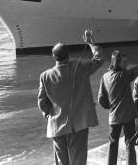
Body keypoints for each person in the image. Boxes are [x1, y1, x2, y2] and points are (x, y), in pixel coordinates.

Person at [38, 30, 103, 165]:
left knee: (61, 162)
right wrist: (90, 43)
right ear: (68, 54)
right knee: (78, 161)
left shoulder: (44, 76)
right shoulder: (78, 68)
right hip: (78, 124)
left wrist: (47, 114)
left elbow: (42, 102)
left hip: (56, 126)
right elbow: (98, 59)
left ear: (53, 57)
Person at [98, 44, 138, 165]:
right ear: (117, 63)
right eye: (124, 62)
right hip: (128, 116)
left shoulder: (105, 77)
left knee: (112, 145)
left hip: (113, 117)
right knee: (130, 144)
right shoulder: (124, 75)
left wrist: (111, 106)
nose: (126, 64)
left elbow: (101, 99)